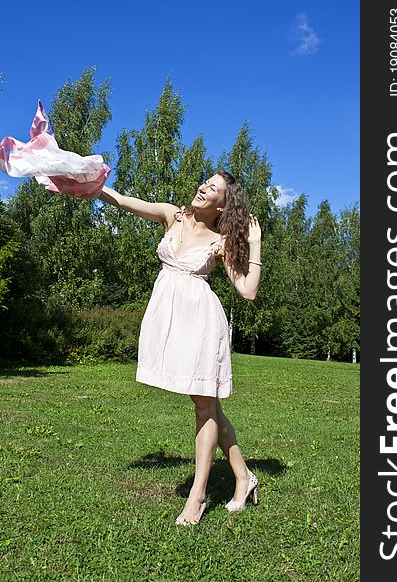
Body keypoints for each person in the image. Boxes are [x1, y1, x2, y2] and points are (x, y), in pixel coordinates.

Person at [99, 169, 262, 525]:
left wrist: (255, 242)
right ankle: (244, 477)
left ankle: (198, 496)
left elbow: (248, 291)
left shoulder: (220, 241)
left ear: (222, 206)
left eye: (213, 188)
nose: (203, 188)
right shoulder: (171, 215)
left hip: (201, 322)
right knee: (207, 405)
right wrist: (88, 183)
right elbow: (122, 201)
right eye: (206, 182)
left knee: (205, 405)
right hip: (170, 319)